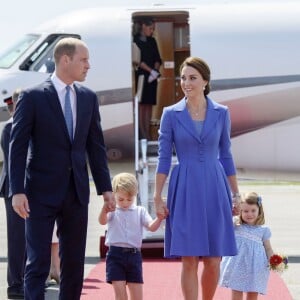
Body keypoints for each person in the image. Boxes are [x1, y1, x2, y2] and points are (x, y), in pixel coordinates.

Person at [9, 37, 115, 300]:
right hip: (39, 194)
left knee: (74, 264)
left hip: (76, 193)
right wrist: (17, 191)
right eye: (84, 60)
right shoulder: (32, 97)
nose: (88, 65)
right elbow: (18, 146)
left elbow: (96, 147)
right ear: (65, 60)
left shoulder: (88, 98)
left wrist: (106, 188)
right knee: (38, 263)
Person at [154, 56, 241, 300]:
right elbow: (163, 158)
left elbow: (226, 155)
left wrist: (236, 194)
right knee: (189, 258)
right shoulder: (170, 114)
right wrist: (157, 196)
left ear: (205, 81)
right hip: (185, 187)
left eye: (192, 78)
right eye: (183, 78)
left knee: (214, 259)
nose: (186, 83)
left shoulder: (222, 113)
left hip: (215, 185)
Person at [99, 172, 164, 300]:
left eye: (130, 199)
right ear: (114, 195)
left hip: (134, 256)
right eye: (121, 199)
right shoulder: (113, 210)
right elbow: (102, 221)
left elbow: (151, 226)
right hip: (115, 256)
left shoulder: (140, 211)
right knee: (120, 296)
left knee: (137, 296)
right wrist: (104, 210)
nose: (125, 203)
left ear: (135, 195)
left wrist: (159, 218)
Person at [219, 192, 274, 300]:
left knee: (253, 294)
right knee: (236, 291)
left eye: (253, 210)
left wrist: (273, 259)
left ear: (259, 210)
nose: (249, 214)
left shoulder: (263, 230)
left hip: (256, 267)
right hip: (237, 265)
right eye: (245, 211)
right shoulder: (236, 225)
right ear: (240, 211)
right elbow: (223, 223)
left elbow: (268, 248)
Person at [0, 90, 26, 300]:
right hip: (14, 189)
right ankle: (15, 285)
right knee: (17, 238)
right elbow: (14, 162)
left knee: (28, 237)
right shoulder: (10, 127)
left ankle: (25, 279)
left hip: (25, 189)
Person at [133, 17, 162, 140]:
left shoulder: (152, 41)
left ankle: (148, 134)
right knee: (141, 106)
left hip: (152, 78)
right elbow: (138, 61)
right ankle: (142, 133)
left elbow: (157, 58)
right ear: (144, 26)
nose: (152, 31)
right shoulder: (135, 41)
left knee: (149, 105)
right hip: (141, 77)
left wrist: (155, 71)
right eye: (150, 28)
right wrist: (151, 71)